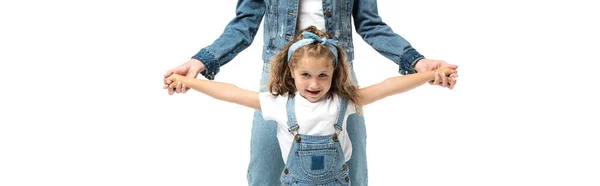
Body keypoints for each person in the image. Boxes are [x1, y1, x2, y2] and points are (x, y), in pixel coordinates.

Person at [163, 1, 459, 185]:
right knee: (265, 171)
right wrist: (200, 63)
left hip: (336, 72)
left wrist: (419, 64)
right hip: (278, 71)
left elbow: (371, 25)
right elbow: (244, 25)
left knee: (351, 171)